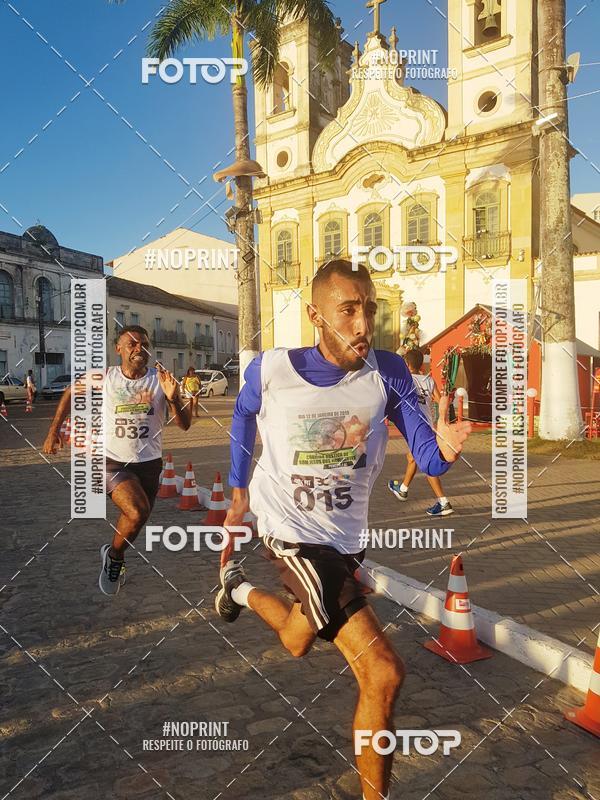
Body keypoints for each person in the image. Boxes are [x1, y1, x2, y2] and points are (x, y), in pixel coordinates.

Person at [214, 260, 472, 800]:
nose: (362, 324)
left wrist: (444, 451)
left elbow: (425, 451)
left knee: (296, 641)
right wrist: (239, 490)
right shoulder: (271, 369)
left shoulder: (389, 372)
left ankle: (236, 588)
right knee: (383, 671)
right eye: (348, 310)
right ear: (315, 315)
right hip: (288, 531)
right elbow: (242, 412)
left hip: (346, 540)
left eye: (370, 310)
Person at [42, 325, 192, 596]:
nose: (139, 349)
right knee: (137, 511)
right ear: (119, 349)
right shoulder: (105, 376)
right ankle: (115, 559)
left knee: (137, 518)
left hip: (149, 463)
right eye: (132, 344)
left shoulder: (161, 380)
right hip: (111, 462)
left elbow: (184, 425)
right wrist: (53, 431)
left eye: (143, 344)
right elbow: (68, 393)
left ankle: (113, 552)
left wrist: (174, 397)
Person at [388, 348, 454, 516]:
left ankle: (443, 502)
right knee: (412, 457)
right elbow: (441, 402)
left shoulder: (406, 379)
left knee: (426, 462)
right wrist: (443, 421)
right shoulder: (428, 380)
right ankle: (403, 489)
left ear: (407, 364)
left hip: (416, 425)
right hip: (428, 424)